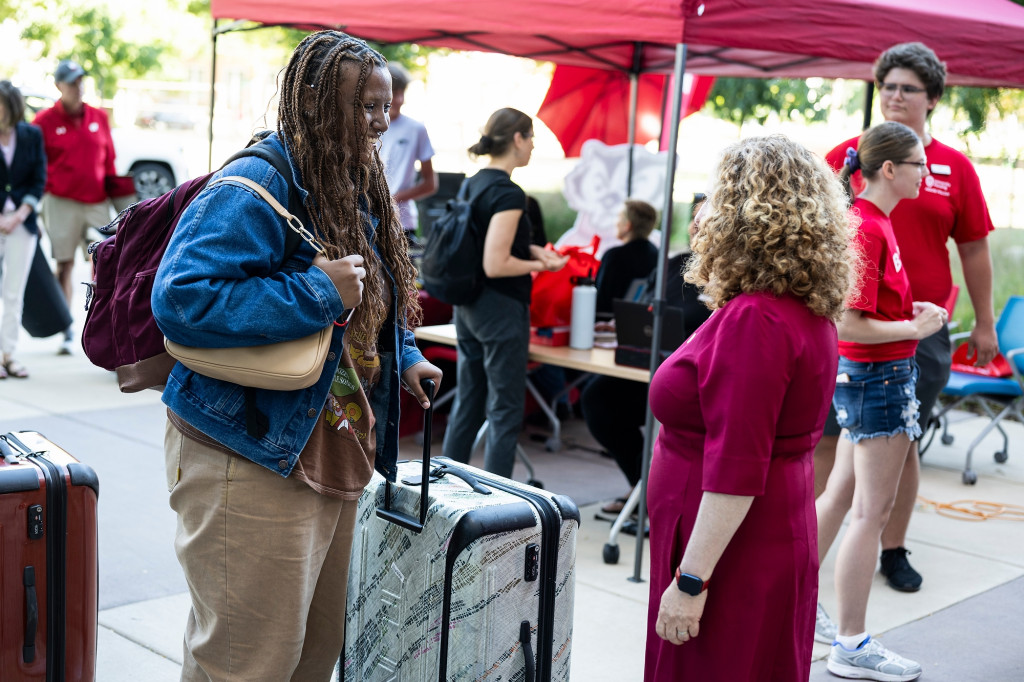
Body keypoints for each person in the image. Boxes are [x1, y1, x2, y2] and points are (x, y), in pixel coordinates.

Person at [151, 31, 442, 680]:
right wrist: (316, 290)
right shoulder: (258, 178)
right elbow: (181, 299)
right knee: (245, 663)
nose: (380, 120)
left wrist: (404, 353)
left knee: (312, 653)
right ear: (316, 101)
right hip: (249, 452)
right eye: (365, 105)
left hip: (329, 447)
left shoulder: (350, 178)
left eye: (385, 105)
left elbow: (374, 292)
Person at [645, 135, 852, 681]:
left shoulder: (756, 320)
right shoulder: (800, 308)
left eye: (716, 194)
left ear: (743, 212)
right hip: (757, 531)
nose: (703, 208)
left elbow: (737, 469)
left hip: (728, 548)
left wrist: (691, 582)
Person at [817, 42, 997, 602]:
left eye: (907, 88)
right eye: (887, 86)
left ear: (933, 98)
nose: (894, 96)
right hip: (861, 327)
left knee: (901, 442)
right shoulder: (850, 158)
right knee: (832, 438)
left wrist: (984, 322)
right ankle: (818, 559)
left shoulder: (953, 167)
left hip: (919, 326)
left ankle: (890, 550)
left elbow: (974, 248)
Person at [816, 121, 948, 681]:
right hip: (879, 381)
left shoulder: (873, 224)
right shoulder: (868, 229)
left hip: (871, 379)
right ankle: (850, 643)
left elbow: (869, 315)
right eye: (920, 164)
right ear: (889, 169)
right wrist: (914, 330)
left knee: (841, 498)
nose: (928, 173)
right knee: (871, 513)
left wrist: (907, 315)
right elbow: (849, 324)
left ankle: (803, 609)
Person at [441, 108, 568, 478]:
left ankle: (443, 487)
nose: (532, 147)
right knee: (505, 410)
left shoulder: (475, 182)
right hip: (500, 308)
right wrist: (542, 266)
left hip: (468, 307)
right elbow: (495, 263)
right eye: (530, 138)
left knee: (469, 401)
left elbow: (482, 240)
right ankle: (497, 504)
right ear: (517, 139)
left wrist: (531, 250)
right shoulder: (509, 194)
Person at [587, 195, 711, 516]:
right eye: (695, 221)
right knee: (597, 399)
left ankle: (660, 497)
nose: (698, 228)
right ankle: (642, 485)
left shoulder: (731, 277)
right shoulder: (673, 264)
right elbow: (648, 311)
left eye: (707, 221)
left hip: (696, 376)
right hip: (650, 364)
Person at [33, 59, 122, 355]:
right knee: (65, 264)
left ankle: (100, 325)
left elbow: (109, 161)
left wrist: (121, 201)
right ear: (59, 86)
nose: (77, 86)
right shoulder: (44, 122)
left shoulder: (98, 116)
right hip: (61, 203)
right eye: (71, 82)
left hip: (95, 201)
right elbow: (34, 166)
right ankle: (66, 327)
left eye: (80, 80)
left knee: (103, 262)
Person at [0, 81, 46, 380]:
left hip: (22, 222)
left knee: (14, 293)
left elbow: (38, 178)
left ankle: (8, 355)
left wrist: (19, 214)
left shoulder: (31, 135)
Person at [378, 62, 437, 244]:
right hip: (370, 218)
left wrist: (394, 199)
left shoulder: (416, 129)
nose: (399, 99)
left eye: (402, 93)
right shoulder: (366, 127)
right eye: (394, 93)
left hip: (403, 221)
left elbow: (430, 184)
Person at [594, 198, 659, 315]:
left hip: (606, 324)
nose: (616, 222)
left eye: (619, 217)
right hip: (641, 320)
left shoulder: (614, 256)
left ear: (627, 226)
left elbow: (600, 301)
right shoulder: (658, 256)